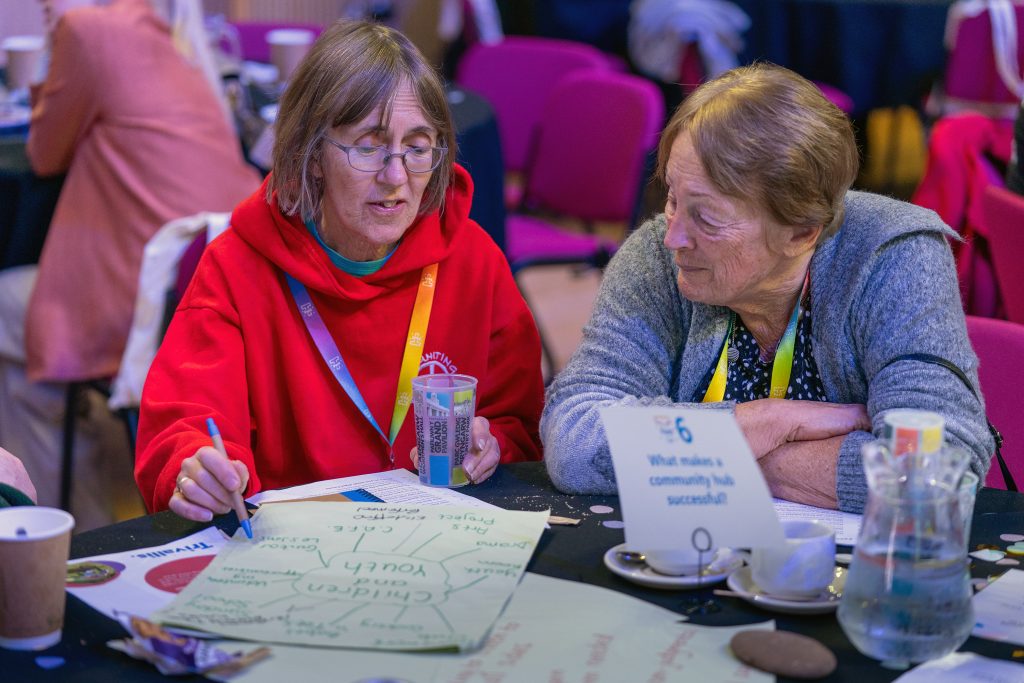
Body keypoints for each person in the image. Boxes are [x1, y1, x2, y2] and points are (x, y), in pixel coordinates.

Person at [134, 20, 544, 520]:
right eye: (368, 147)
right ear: (312, 156)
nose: (396, 178)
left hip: (442, 533)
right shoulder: (236, 267)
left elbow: (518, 420)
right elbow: (186, 426)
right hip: (293, 550)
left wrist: (494, 443)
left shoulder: (473, 260)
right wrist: (200, 471)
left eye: (417, 148)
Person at [541, 63, 994, 513]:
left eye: (707, 217)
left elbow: (940, 469)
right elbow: (573, 439)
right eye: (674, 198)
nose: (672, 235)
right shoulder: (657, 259)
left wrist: (724, 458)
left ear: (801, 232)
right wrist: (761, 421)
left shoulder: (891, 257)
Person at [0, 0, 260, 529]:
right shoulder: (179, 27)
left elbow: (45, 153)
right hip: (224, 268)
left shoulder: (88, 27)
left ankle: (58, 534)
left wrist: (54, 51)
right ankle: (96, 486)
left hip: (155, 290)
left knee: (7, 310)